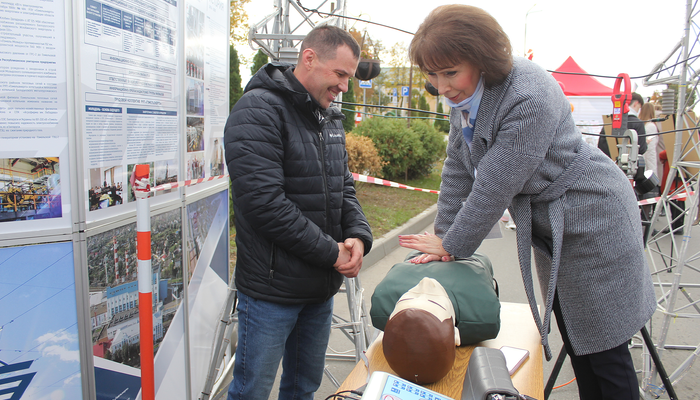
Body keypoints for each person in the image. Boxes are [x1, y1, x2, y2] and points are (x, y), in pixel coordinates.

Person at [397, 5, 655, 400]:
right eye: (432, 74)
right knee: (577, 338)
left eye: (450, 72)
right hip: (555, 222)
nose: (442, 85)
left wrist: (452, 245)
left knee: (604, 347)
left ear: (482, 58)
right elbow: (458, 169)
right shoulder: (466, 98)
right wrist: (445, 236)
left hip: (593, 217)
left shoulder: (528, 94)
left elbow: (495, 185)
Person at [223, 24, 373, 400]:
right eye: (339, 74)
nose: (344, 86)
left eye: (348, 78)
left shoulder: (329, 117)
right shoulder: (258, 110)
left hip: (318, 289)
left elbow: (344, 187)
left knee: (303, 387)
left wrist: (358, 236)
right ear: (309, 58)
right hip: (272, 292)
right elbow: (265, 205)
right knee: (251, 391)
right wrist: (332, 252)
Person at [598, 92, 648, 158]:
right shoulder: (638, 123)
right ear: (636, 103)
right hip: (629, 164)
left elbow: (601, 145)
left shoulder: (611, 121)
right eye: (640, 107)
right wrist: (646, 143)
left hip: (609, 162)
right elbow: (641, 149)